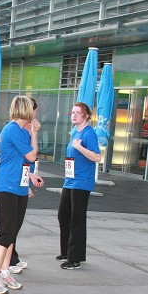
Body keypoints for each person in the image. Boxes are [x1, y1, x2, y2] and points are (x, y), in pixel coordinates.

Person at [0, 96, 43, 294]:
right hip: (7, 186)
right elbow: (32, 155)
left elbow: (24, 162)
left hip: (18, 186)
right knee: (6, 233)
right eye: (32, 109)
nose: (35, 114)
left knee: (12, 233)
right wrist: (34, 134)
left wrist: (28, 182)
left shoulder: (20, 131)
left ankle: (4, 272)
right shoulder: (13, 130)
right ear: (25, 110)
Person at [57, 102, 101, 270]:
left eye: (77, 113)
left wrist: (80, 147)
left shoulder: (89, 134)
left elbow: (96, 157)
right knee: (63, 215)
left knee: (77, 218)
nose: (73, 115)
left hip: (82, 181)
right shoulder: (75, 132)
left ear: (86, 116)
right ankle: (66, 251)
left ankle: (75, 258)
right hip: (70, 180)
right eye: (72, 112)